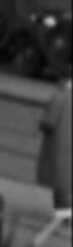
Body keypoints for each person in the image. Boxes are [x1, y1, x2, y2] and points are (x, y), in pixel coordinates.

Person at [39, 76, 72, 213]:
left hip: (60, 146)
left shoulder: (59, 97)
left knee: (60, 183)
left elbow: (48, 122)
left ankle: (63, 215)